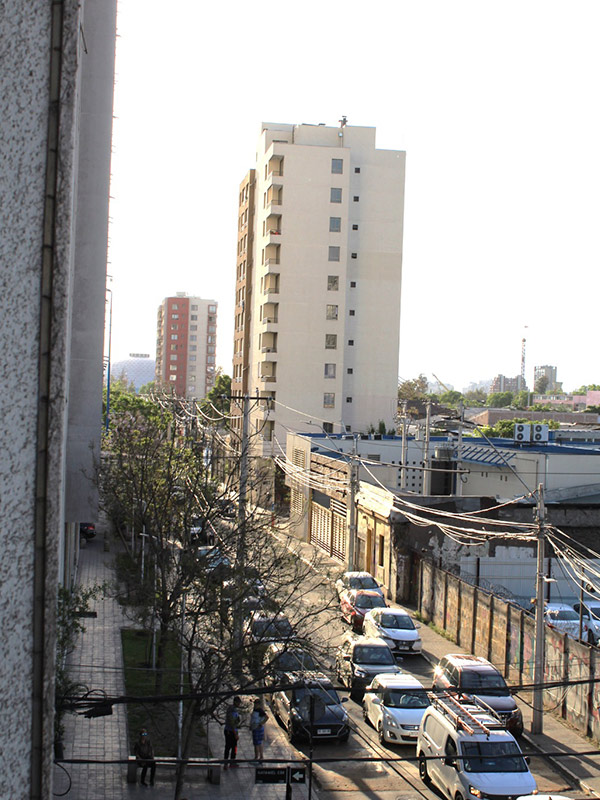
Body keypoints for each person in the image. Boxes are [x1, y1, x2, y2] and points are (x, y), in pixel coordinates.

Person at [223, 695, 242, 769]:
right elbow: (232, 723)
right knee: (230, 747)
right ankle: (228, 763)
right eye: (238, 703)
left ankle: (230, 762)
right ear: (235, 702)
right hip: (230, 731)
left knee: (232, 747)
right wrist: (235, 734)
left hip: (230, 730)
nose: (239, 704)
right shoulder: (232, 710)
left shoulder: (233, 709)